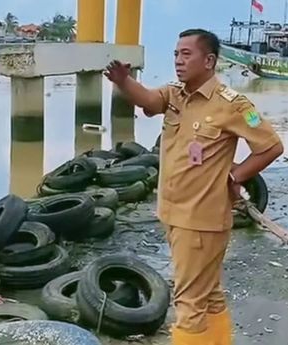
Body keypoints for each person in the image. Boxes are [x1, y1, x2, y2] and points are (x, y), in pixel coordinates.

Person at [104, 29, 284, 345]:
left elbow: (270, 146)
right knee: (208, 293)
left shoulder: (234, 105)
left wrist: (236, 175)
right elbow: (147, 99)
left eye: (187, 54)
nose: (178, 61)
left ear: (210, 60)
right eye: (176, 54)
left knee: (188, 302)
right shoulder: (175, 95)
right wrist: (123, 81)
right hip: (174, 212)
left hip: (201, 219)